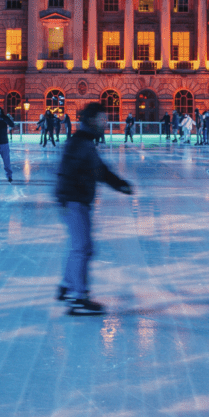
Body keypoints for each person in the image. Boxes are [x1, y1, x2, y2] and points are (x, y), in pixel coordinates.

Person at [55, 102, 133, 315]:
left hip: (76, 201)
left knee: (81, 247)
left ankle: (67, 285)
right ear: (91, 121)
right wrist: (64, 199)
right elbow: (68, 171)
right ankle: (79, 298)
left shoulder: (84, 142)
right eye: (102, 119)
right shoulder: (81, 143)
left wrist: (120, 184)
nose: (105, 123)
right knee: (82, 248)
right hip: (75, 201)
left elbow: (100, 171)